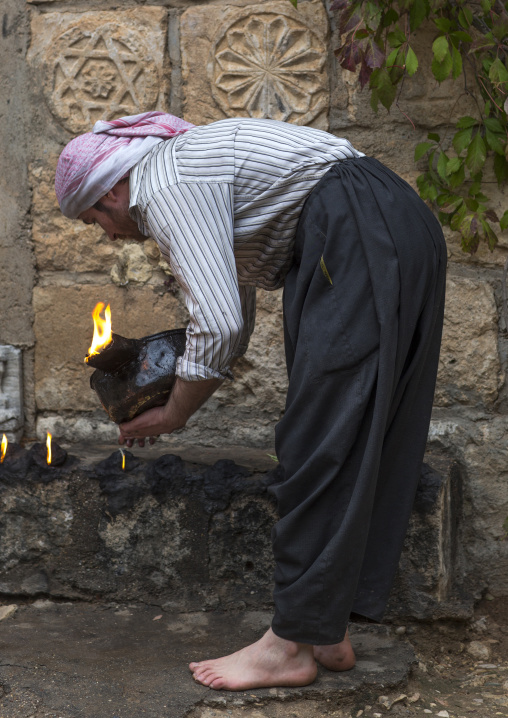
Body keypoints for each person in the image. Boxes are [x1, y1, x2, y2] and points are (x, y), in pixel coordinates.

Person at [55, 111, 447, 691]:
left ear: (113, 189)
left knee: (317, 437)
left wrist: (178, 412)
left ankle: (286, 648)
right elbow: (230, 326)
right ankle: (324, 627)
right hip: (393, 222)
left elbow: (214, 325)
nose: (107, 235)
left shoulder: (165, 185)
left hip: (355, 228)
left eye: (95, 219)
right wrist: (174, 407)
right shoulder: (191, 167)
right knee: (364, 429)